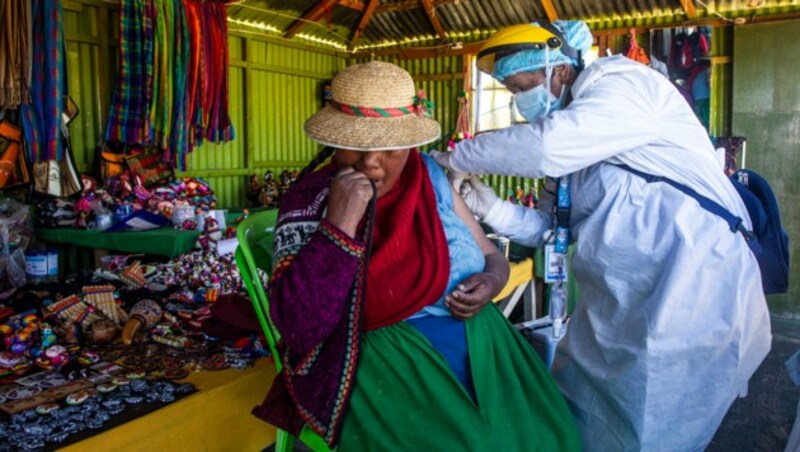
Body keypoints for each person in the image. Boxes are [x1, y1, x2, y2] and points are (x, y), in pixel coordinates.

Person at [432, 20, 771, 452]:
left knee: (656, 432)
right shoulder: (571, 140)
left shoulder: (619, 85)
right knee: (580, 422)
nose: (521, 104)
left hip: (692, 294)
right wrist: (491, 208)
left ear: (557, 70)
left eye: (522, 87)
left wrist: (456, 155)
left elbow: (545, 148)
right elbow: (552, 228)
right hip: (617, 307)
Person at [252, 61, 580, 451]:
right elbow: (299, 326)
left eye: (389, 149)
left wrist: (491, 281)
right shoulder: (312, 199)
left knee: (548, 435)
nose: (371, 164)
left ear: (409, 144)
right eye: (355, 149)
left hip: (484, 342)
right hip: (387, 360)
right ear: (333, 144)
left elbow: (491, 256)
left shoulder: (429, 176)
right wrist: (338, 225)